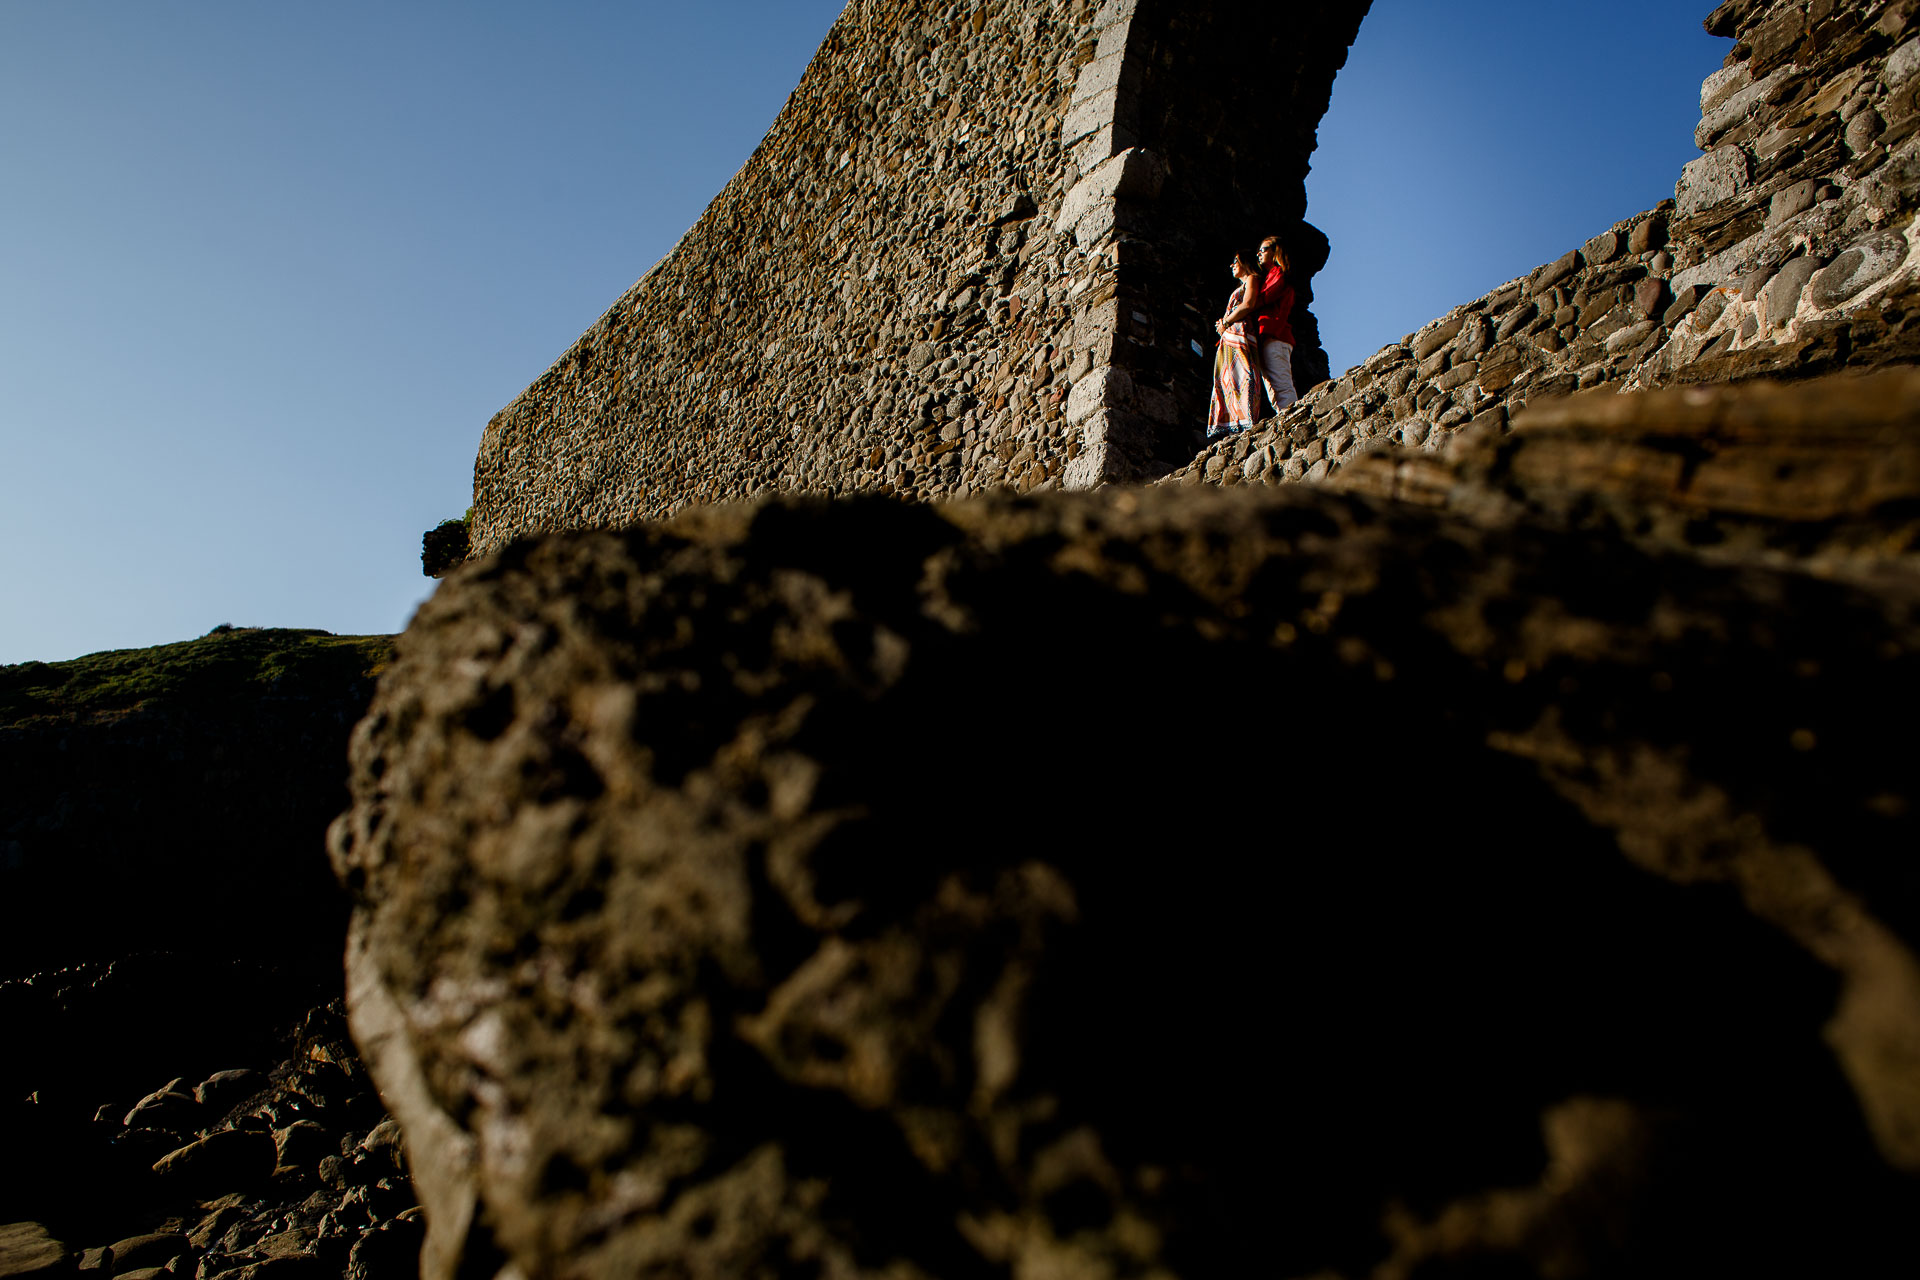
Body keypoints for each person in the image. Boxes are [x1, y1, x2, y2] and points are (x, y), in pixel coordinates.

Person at [1206, 251, 1265, 441]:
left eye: (1235, 261)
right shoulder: (1242, 284)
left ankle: (1245, 419)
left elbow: (1248, 304)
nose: (1232, 265)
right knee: (1229, 380)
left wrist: (1226, 321)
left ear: (1245, 262)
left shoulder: (1252, 279)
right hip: (1231, 337)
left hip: (1240, 335)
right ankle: (1231, 423)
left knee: (1243, 375)